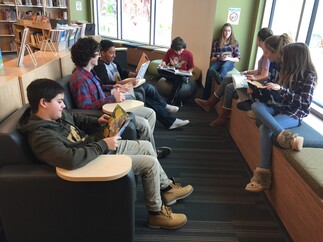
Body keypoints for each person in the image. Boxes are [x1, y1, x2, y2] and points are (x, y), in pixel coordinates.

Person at [18, 78, 194, 229]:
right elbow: (69, 159)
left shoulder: (55, 114)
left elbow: (75, 118)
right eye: (59, 101)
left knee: (146, 146)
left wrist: (97, 121)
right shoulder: (40, 136)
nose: (64, 105)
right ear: (43, 103)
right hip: (86, 162)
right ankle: (156, 214)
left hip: (93, 147)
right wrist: (103, 144)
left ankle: (166, 188)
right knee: (150, 163)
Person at [69, 37, 170, 159]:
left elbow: (99, 87)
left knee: (150, 113)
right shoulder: (80, 79)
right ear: (89, 56)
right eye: (96, 54)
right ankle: (147, 152)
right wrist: (112, 97)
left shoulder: (88, 72)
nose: (98, 57)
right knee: (143, 123)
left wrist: (114, 86)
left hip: (109, 108)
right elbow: (84, 107)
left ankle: (149, 150)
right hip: (103, 115)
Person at [245, 42, 317, 193]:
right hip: (278, 107)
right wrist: (262, 90)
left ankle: (263, 176)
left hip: (294, 114)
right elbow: (279, 96)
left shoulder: (309, 76)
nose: (282, 60)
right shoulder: (286, 72)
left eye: (285, 57)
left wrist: (282, 90)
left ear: (294, 58)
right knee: (256, 106)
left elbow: (304, 103)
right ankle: (286, 136)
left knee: (265, 127)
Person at [93, 39, 190, 130]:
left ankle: (168, 114)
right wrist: (128, 82)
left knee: (148, 89)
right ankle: (167, 113)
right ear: (102, 53)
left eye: (114, 52)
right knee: (147, 91)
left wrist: (134, 74)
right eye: (111, 53)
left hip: (121, 87)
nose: (114, 55)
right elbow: (106, 83)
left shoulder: (112, 62)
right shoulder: (100, 66)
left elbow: (123, 72)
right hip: (116, 91)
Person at [195, 28, 273, 126]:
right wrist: (246, 71)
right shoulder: (265, 54)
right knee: (227, 79)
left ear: (260, 39)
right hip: (253, 79)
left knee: (229, 87)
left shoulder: (266, 56)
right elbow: (259, 71)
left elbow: (265, 76)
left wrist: (252, 78)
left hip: (256, 83)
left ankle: (222, 117)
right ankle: (209, 103)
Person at [202, 23, 240, 100]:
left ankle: (220, 78)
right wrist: (219, 58)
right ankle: (205, 96)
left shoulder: (234, 43)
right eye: (225, 31)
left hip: (229, 62)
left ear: (231, 32)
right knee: (210, 70)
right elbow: (212, 58)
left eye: (229, 31)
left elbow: (237, 59)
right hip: (219, 61)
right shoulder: (217, 42)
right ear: (222, 32)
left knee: (224, 66)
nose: (227, 33)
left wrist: (229, 58)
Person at [158, 36, 194, 104]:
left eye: (180, 50)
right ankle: (177, 78)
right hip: (171, 73)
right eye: (176, 50)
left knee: (178, 79)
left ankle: (170, 100)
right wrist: (163, 64)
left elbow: (191, 67)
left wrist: (189, 72)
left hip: (181, 74)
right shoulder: (170, 51)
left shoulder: (189, 54)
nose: (178, 52)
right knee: (159, 70)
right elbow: (165, 61)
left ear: (183, 47)